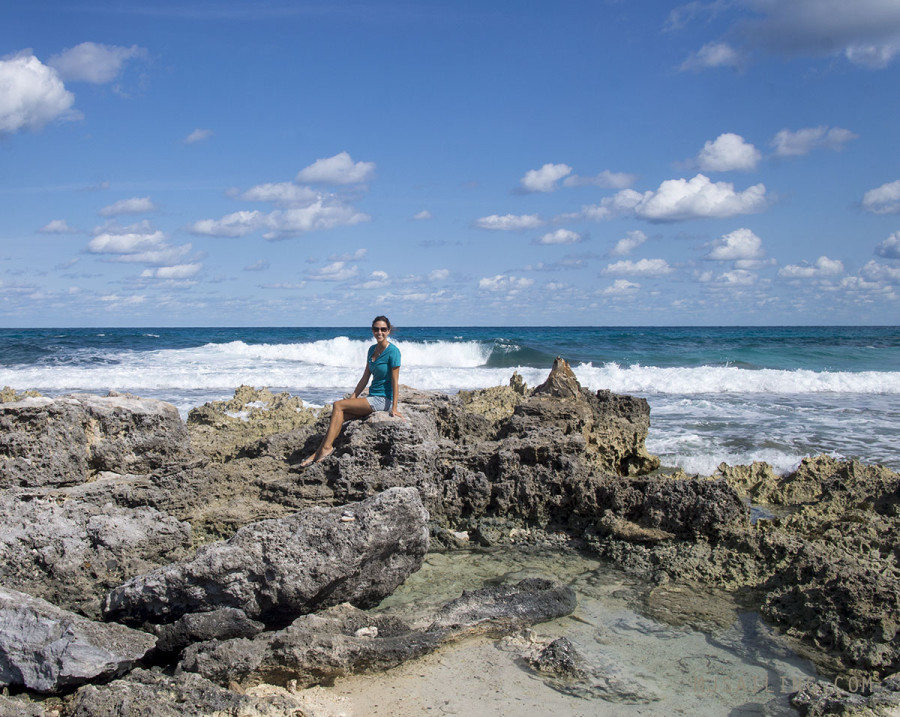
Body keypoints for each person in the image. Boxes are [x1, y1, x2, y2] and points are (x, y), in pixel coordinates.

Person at [301, 315, 403, 466]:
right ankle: (318, 452)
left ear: (388, 331)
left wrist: (394, 407)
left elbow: (395, 381)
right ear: (372, 331)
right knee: (340, 416)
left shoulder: (393, 352)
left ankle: (327, 448)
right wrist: (354, 396)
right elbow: (365, 377)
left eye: (383, 329)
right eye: (376, 329)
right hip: (372, 397)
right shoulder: (371, 350)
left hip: (383, 400)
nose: (379, 332)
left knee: (338, 405)